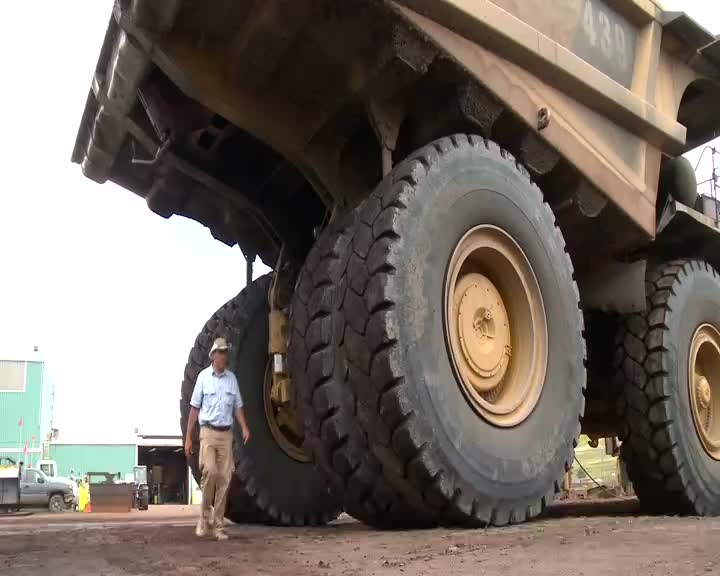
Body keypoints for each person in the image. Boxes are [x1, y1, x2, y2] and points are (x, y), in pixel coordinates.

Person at [185, 337, 250, 541]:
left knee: (225, 479)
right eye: (220, 352)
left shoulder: (231, 379)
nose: (223, 356)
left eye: (225, 353)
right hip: (208, 433)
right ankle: (204, 518)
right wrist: (188, 437)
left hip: (226, 434)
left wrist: (244, 426)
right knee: (210, 472)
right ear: (213, 356)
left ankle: (219, 526)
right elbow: (194, 408)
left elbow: (237, 405)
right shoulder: (204, 378)